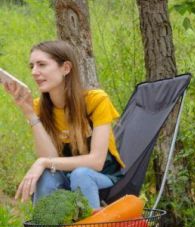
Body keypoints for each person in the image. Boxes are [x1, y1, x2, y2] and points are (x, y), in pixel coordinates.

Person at [2, 40, 125, 210]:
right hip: (66, 177)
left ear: (66, 68)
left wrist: (43, 162)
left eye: (42, 65)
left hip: (102, 177)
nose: (34, 72)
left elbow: (97, 161)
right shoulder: (39, 107)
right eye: (32, 66)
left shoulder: (96, 100)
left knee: (80, 174)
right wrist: (29, 113)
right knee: (46, 176)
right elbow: (50, 156)